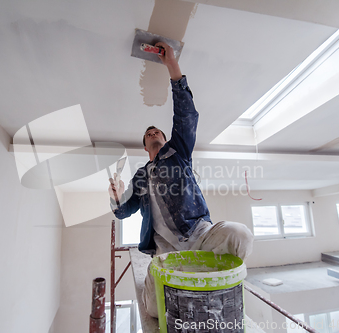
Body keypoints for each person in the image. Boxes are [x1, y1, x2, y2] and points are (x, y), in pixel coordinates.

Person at [108, 42, 254, 318]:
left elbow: (186, 116)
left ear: (165, 140)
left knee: (240, 235)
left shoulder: (178, 155)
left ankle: (216, 285)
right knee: (152, 309)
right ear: (144, 146)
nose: (153, 133)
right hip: (165, 252)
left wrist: (172, 67)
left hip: (200, 236)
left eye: (157, 132)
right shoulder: (141, 176)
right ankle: (189, 285)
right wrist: (116, 197)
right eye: (148, 133)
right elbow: (124, 211)